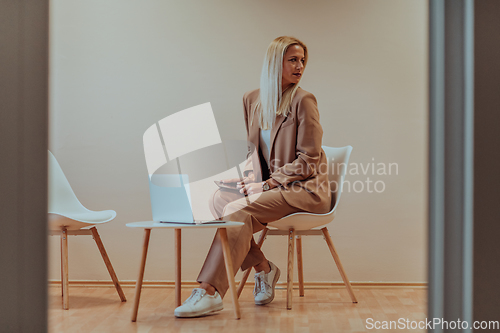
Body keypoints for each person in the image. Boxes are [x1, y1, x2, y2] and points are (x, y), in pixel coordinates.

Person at [174, 36, 332, 318]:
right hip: (270, 187)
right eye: (293, 60)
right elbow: (255, 154)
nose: (300, 66)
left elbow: (309, 159)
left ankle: (209, 291)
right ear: (275, 63)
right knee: (220, 199)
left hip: (304, 189)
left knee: (237, 208)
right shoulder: (252, 100)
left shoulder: (304, 101)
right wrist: (246, 178)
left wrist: (267, 183)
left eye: (303, 60)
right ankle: (264, 269)